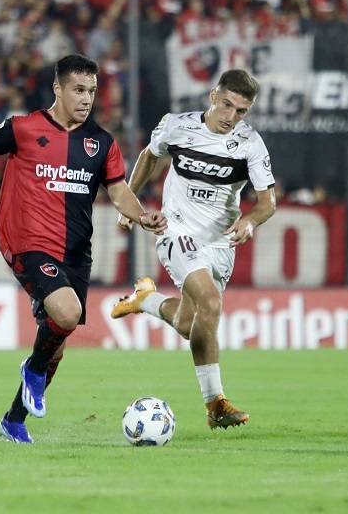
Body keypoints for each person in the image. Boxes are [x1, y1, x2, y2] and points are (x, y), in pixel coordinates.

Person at [0, 54, 167, 444]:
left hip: (75, 252)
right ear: (58, 89)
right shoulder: (23, 128)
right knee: (67, 312)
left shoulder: (102, 143)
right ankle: (32, 369)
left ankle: (14, 420)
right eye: (78, 90)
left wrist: (142, 215)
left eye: (92, 91)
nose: (86, 99)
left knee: (57, 341)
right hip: (26, 242)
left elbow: (118, 191)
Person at [111, 69, 276, 430]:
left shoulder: (250, 143)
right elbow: (149, 156)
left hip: (220, 243)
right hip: (177, 232)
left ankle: (145, 300)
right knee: (211, 304)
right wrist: (130, 205)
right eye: (227, 104)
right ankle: (215, 403)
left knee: (191, 325)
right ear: (213, 95)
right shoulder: (176, 125)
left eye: (241, 111)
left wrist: (250, 221)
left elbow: (268, 203)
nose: (230, 116)